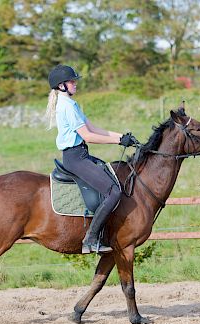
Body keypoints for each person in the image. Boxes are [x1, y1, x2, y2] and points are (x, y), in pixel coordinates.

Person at [45, 64, 139, 253]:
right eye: (72, 81)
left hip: (81, 154)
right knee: (113, 191)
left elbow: (94, 128)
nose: (75, 83)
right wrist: (117, 143)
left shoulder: (72, 104)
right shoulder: (66, 106)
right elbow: (88, 136)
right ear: (62, 85)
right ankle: (91, 238)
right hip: (75, 158)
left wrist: (121, 137)